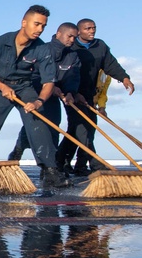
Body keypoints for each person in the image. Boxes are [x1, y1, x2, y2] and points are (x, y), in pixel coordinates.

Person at [0, 5, 70, 188]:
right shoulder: (1, 42)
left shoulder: (42, 49)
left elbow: (49, 82)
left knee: (38, 123)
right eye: (37, 24)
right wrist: (2, 87)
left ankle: (50, 171)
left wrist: (38, 101)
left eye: (44, 26)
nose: (40, 29)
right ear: (24, 23)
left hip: (25, 87)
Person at [58, 18, 135, 176]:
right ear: (79, 31)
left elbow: (111, 64)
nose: (92, 31)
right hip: (71, 93)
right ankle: (94, 164)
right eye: (88, 28)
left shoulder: (100, 46)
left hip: (89, 95)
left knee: (85, 130)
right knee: (81, 129)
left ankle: (70, 164)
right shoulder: (71, 46)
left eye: (93, 28)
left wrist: (124, 78)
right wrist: (70, 92)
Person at [8, 22, 81, 162]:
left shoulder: (73, 56)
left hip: (55, 96)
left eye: (75, 37)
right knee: (35, 125)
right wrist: (49, 86)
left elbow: (73, 76)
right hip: (37, 92)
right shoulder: (43, 49)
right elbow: (31, 73)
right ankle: (18, 150)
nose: (72, 40)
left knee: (54, 126)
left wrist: (71, 92)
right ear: (59, 34)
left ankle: (51, 167)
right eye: (69, 36)